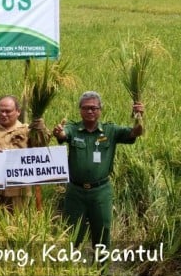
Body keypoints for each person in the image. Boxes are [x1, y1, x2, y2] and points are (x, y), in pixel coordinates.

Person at [53, 91, 144, 248]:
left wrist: (138, 116)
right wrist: (59, 133)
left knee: (102, 232)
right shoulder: (73, 129)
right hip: (75, 191)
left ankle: (102, 271)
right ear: (80, 109)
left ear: (100, 110)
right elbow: (63, 135)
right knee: (72, 233)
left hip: (100, 191)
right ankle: (73, 269)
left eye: (94, 108)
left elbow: (135, 132)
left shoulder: (110, 130)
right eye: (86, 108)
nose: (90, 111)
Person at [0, 95, 49, 211]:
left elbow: (41, 149)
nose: (3, 114)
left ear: (18, 112)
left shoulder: (28, 130)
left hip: (20, 190)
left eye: (8, 111)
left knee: (19, 224)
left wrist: (41, 130)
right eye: (1, 111)